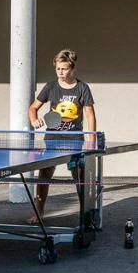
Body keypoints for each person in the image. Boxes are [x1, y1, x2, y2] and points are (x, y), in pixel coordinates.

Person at [27, 49, 96, 223]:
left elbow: (90, 115)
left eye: (64, 69)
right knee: (44, 177)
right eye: (58, 69)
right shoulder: (51, 87)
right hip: (53, 140)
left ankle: (84, 214)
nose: (61, 73)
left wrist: (92, 140)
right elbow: (33, 107)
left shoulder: (82, 88)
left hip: (75, 141)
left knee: (79, 178)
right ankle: (39, 213)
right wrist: (34, 120)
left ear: (72, 69)